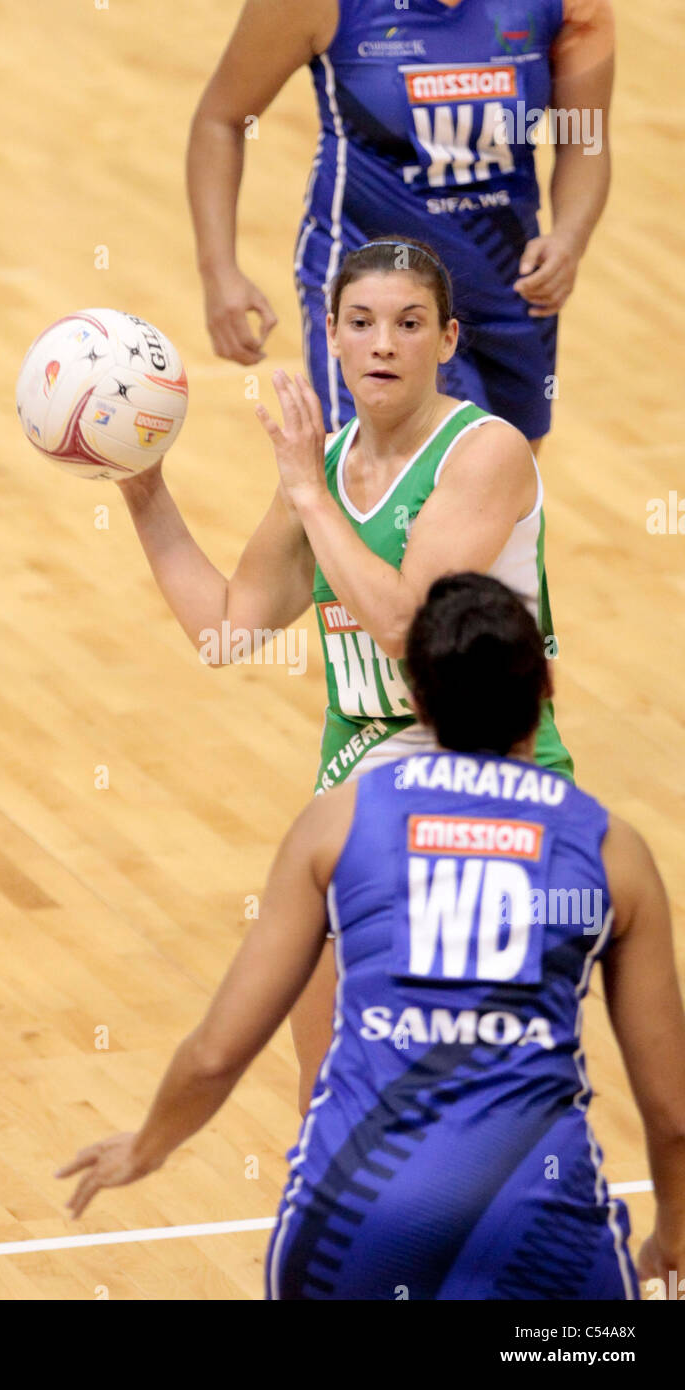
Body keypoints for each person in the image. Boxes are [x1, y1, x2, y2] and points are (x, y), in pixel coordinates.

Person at [56, 573, 685, 1300]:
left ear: (416, 699)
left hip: (352, 1219)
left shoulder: (338, 823)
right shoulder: (612, 850)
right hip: (541, 1227)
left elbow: (216, 1053)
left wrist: (148, 1146)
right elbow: (670, 1113)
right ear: (547, 683)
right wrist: (673, 1236)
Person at [117, 235, 571, 1103]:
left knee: (458, 1091)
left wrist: (309, 497)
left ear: (447, 340)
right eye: (361, 323)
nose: (384, 344)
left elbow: (406, 622)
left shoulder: (486, 454)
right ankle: (338, 1233)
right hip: (361, 788)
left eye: (409, 324)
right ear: (331, 335)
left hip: (488, 786)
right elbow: (225, 629)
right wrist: (143, 490)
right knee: (325, 1083)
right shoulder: (320, 474)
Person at [187, 0, 615, 449]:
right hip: (372, 287)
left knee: (501, 501)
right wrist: (219, 272)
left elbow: (583, 140)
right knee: (377, 497)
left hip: (508, 288)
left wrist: (570, 236)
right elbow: (223, 120)